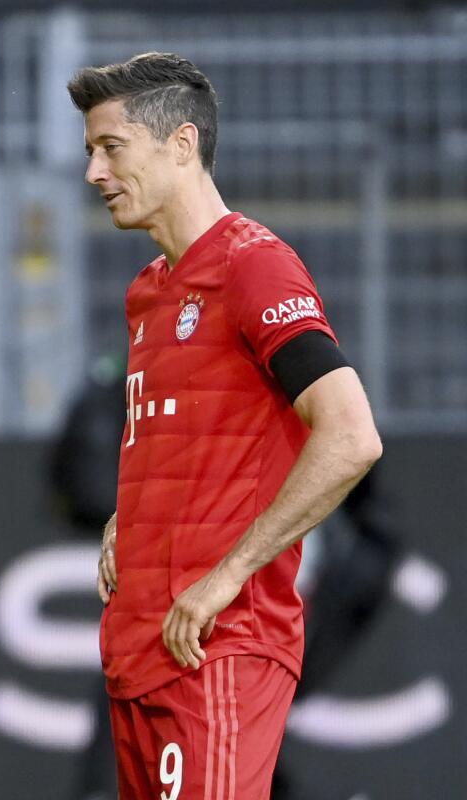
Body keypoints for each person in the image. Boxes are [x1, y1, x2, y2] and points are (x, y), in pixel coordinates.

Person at [68, 52, 382, 799]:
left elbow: (349, 434)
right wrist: (133, 515)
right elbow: (198, 435)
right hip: (142, 649)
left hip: (219, 645)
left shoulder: (254, 266)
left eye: (111, 147)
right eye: (90, 151)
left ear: (181, 144)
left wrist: (230, 576)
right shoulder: (150, 290)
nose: (94, 173)